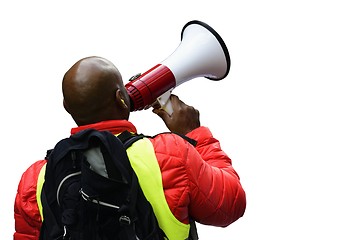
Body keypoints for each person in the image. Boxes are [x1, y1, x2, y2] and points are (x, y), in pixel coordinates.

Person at [14, 56, 246, 240]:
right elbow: (231, 203)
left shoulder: (36, 179)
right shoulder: (169, 153)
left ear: (67, 107)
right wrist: (194, 133)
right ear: (121, 98)